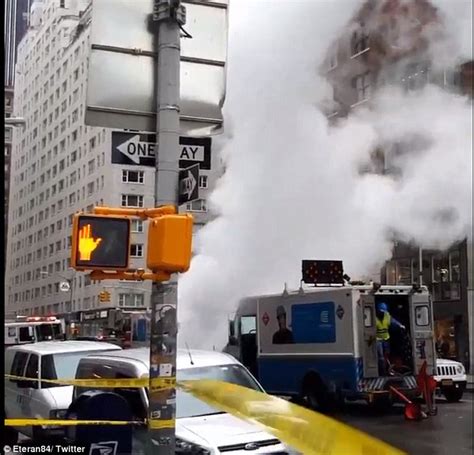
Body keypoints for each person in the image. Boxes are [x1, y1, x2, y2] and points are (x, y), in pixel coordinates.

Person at [376, 302, 405, 375]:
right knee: (381, 357)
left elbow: (394, 321)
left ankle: (388, 368)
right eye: (381, 312)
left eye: (384, 312)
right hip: (378, 339)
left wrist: (400, 325)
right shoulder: (374, 317)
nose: (382, 313)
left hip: (386, 338)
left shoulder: (387, 316)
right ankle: (382, 372)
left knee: (387, 354)